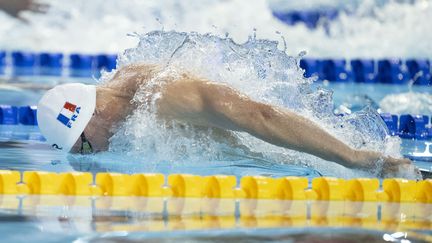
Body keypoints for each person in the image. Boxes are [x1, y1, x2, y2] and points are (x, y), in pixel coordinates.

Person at [37, 63, 416, 177]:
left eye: (84, 146)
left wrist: (352, 157)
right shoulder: (118, 92)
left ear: (94, 114)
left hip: (297, 153)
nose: (92, 155)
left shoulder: (165, 98)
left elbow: (258, 114)